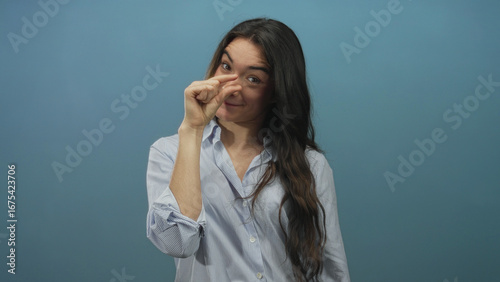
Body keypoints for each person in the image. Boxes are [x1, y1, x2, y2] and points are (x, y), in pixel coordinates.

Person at [146, 18, 350, 282]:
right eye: (226, 66)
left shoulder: (311, 164)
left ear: (277, 91)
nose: (230, 88)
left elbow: (329, 268)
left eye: (253, 79)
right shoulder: (169, 152)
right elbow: (177, 243)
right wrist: (192, 130)